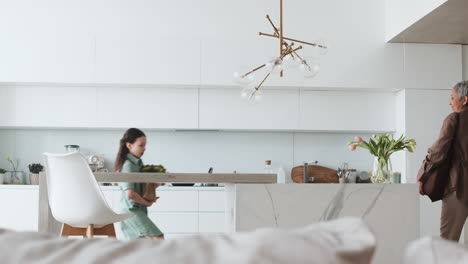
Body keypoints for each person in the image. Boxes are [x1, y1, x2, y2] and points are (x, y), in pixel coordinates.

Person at [418, 81, 468, 242]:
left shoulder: (455, 118)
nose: (450, 102)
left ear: (464, 100)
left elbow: (439, 151)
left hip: (459, 187)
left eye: (453, 98)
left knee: (448, 242)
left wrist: (423, 175)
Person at [114, 128, 164, 239]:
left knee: (139, 247)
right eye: (141, 145)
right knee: (158, 238)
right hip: (130, 210)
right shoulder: (128, 165)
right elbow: (130, 194)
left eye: (144, 145)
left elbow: (138, 187)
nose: (144, 149)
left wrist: (154, 184)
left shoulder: (137, 163)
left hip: (133, 210)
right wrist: (147, 203)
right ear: (129, 145)